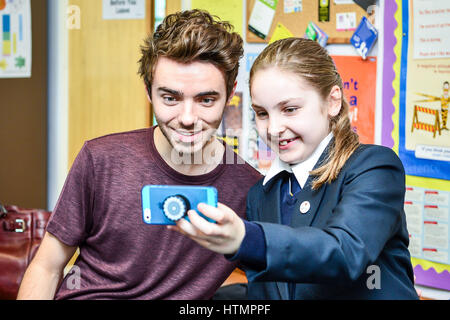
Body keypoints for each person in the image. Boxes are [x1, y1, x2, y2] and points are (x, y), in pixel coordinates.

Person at [17, 9, 261, 300]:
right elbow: (47, 267)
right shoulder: (101, 159)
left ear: (231, 93)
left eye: (206, 100)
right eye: (170, 98)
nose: (187, 117)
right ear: (148, 91)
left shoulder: (251, 189)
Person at [171, 37, 420, 300]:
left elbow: (345, 253)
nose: (274, 128)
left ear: (332, 102)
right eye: (262, 113)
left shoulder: (374, 168)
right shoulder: (261, 194)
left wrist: (246, 238)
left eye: (290, 109)